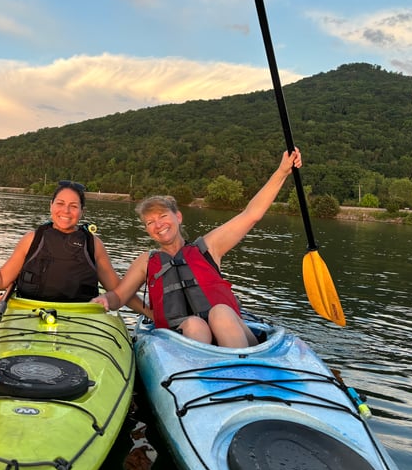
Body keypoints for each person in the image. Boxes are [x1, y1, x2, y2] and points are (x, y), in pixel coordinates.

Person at [92, 148, 302, 347]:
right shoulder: (146, 262)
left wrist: (282, 171)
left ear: (178, 217)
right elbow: (119, 296)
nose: (158, 225)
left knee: (220, 312)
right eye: (150, 222)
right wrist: (105, 299)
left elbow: (251, 214)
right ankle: (206, 368)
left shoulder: (208, 247)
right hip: (186, 340)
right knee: (194, 324)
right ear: (147, 229)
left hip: (232, 332)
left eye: (163, 216)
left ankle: (242, 367)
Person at [0, 180, 147, 313]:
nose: (66, 211)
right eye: (60, 203)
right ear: (51, 205)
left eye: (73, 206)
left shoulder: (93, 244)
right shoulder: (32, 239)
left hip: (81, 318)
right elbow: (2, 278)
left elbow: (120, 292)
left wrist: (150, 313)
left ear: (82, 211)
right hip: (30, 313)